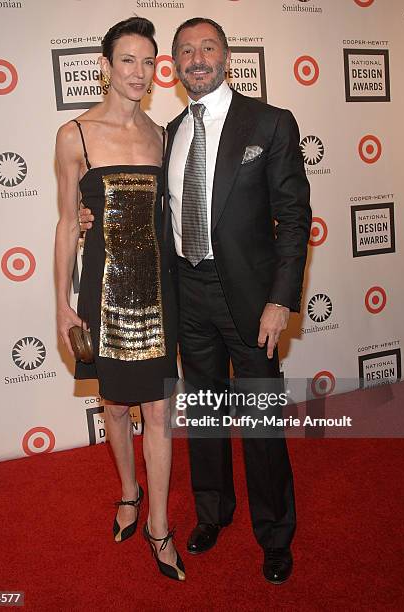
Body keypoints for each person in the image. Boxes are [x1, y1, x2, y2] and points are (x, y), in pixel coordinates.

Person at [80, 17, 311, 584]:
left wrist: (282, 299)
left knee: (259, 422)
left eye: (207, 47)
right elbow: (132, 200)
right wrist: (92, 216)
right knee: (204, 413)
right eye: (185, 51)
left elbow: (294, 218)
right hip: (185, 292)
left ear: (227, 56)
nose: (196, 58)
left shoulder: (270, 121)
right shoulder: (168, 131)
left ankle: (275, 533)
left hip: (253, 303)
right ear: (175, 68)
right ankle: (212, 512)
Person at [55, 17, 185, 582]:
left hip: (158, 294)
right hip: (101, 297)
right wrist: (62, 301)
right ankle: (127, 493)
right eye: (126, 60)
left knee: (158, 410)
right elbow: (66, 223)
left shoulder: (162, 134)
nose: (138, 72)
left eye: (147, 61)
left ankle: (158, 525)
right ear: (105, 66)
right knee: (113, 404)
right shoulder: (75, 135)